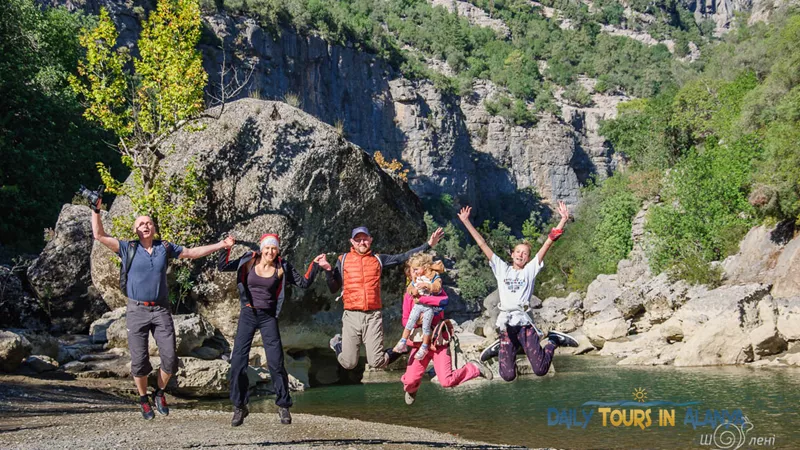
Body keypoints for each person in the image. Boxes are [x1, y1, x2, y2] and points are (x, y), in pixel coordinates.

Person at [90, 200, 234, 420]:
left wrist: (221, 245)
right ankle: (142, 399)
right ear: (135, 230)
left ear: (154, 228)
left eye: (149, 223)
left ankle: (159, 392)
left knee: (170, 359)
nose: (145, 226)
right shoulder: (128, 248)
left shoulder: (163, 248)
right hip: (136, 310)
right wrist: (96, 210)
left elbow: (192, 252)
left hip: (160, 310)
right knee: (139, 362)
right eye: (141, 224)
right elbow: (99, 235)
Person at [457, 203, 578, 382]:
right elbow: (482, 244)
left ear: (528, 258)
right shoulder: (501, 269)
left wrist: (563, 220)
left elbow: (548, 242)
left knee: (541, 370)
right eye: (518, 252)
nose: (521, 255)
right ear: (512, 254)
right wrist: (466, 222)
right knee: (507, 375)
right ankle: (501, 347)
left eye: (525, 253)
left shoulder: (530, 270)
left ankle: (553, 340)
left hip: (525, 326)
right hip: (507, 327)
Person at [217, 233, 324, 427]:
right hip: (248, 315)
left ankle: (283, 405)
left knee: (276, 362)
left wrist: (315, 265)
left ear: (278, 250)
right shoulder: (248, 261)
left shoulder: (282, 267)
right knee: (238, 362)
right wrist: (227, 248)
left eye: (274, 248)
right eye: (267, 248)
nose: (270, 251)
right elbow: (222, 266)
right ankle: (240, 406)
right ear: (261, 248)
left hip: (268, 317)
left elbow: (304, 283)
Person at [318, 225, 444, 370]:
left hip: (373, 316)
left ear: (370, 240)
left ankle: (401, 349)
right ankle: (337, 344)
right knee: (348, 363)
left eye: (365, 239)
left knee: (376, 362)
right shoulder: (343, 260)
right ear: (352, 242)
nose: (361, 243)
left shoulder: (378, 259)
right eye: (357, 240)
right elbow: (334, 288)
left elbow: (403, 257)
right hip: (351, 316)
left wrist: (428, 245)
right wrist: (328, 270)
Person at [399, 285, 493, 405]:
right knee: (410, 381)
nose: (417, 275)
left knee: (446, 381)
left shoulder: (436, 290)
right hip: (419, 344)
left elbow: (444, 301)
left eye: (419, 270)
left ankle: (474, 368)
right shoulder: (409, 294)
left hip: (438, 343)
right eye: (413, 271)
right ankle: (412, 389)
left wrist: (422, 300)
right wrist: (417, 321)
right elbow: (405, 320)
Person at [392, 253, 446, 360]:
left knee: (426, 326)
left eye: (416, 269)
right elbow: (405, 320)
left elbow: (440, 294)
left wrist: (428, 286)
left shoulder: (434, 278)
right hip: (417, 340)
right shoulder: (413, 285)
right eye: (413, 271)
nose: (415, 273)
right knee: (410, 322)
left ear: (424, 268)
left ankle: (425, 346)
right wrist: (414, 291)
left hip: (436, 337)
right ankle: (403, 341)